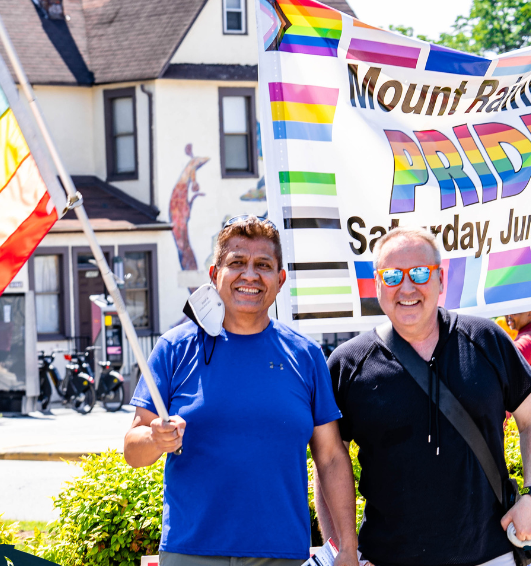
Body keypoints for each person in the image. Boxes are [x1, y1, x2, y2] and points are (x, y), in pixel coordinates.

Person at [122, 215, 358, 566]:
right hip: (192, 551)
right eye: (237, 263)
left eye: (263, 265)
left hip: (280, 554)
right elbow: (132, 449)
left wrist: (348, 550)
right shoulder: (174, 348)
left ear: (279, 280)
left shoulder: (306, 356)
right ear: (215, 275)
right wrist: (155, 439)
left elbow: (331, 457)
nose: (250, 275)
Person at [326, 227, 531, 566]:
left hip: (492, 555)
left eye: (419, 273)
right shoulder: (347, 364)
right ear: (377, 285)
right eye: (392, 276)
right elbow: (329, 458)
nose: (406, 288)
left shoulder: (486, 339)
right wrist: (343, 547)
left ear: (440, 279)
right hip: (388, 559)